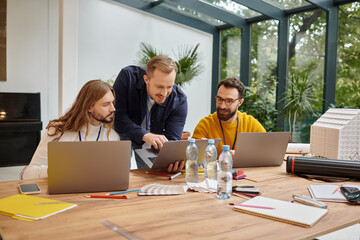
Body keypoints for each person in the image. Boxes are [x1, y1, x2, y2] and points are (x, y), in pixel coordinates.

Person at [22, 80, 120, 179]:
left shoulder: (112, 137)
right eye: (106, 104)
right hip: (63, 192)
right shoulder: (58, 131)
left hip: (97, 192)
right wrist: (55, 170)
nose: (113, 109)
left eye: (113, 103)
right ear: (89, 107)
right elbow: (28, 174)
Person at [113, 55, 188, 172]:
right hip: (124, 132)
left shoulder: (179, 100)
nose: (164, 93)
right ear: (146, 79)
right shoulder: (128, 77)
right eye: (159, 86)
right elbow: (117, 117)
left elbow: (172, 139)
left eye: (169, 87)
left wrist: (172, 159)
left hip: (152, 141)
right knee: (117, 175)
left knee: (152, 177)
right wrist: (144, 135)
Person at [192, 77, 266, 157]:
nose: (222, 106)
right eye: (219, 99)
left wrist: (240, 155)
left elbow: (267, 150)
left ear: (240, 102)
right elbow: (192, 158)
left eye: (229, 101)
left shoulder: (250, 124)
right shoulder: (205, 124)